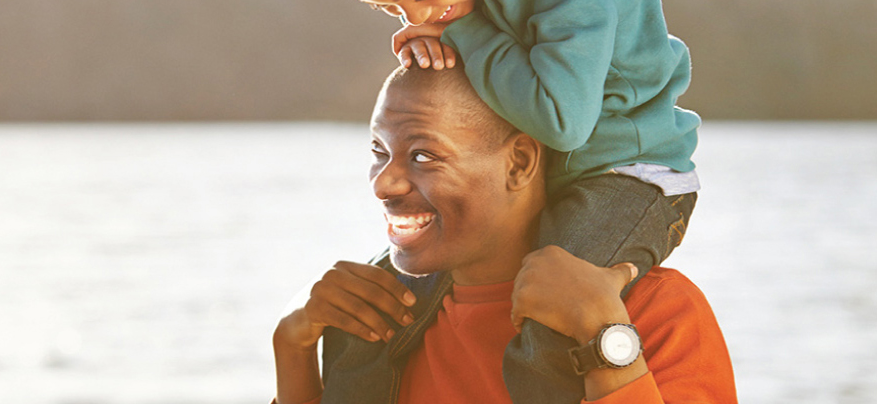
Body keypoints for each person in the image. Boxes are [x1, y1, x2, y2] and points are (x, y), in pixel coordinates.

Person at [317, 0, 701, 402]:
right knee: (372, 311)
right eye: (396, 11)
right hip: (562, 175)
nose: (419, 20)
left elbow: (561, 120)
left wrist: (464, 32)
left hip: (631, 177)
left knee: (548, 320)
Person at [272, 66, 734, 404]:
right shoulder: (375, 317)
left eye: (423, 156)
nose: (382, 183)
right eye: (379, 151)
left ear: (519, 164)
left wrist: (604, 337)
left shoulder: (656, 311)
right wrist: (292, 345)